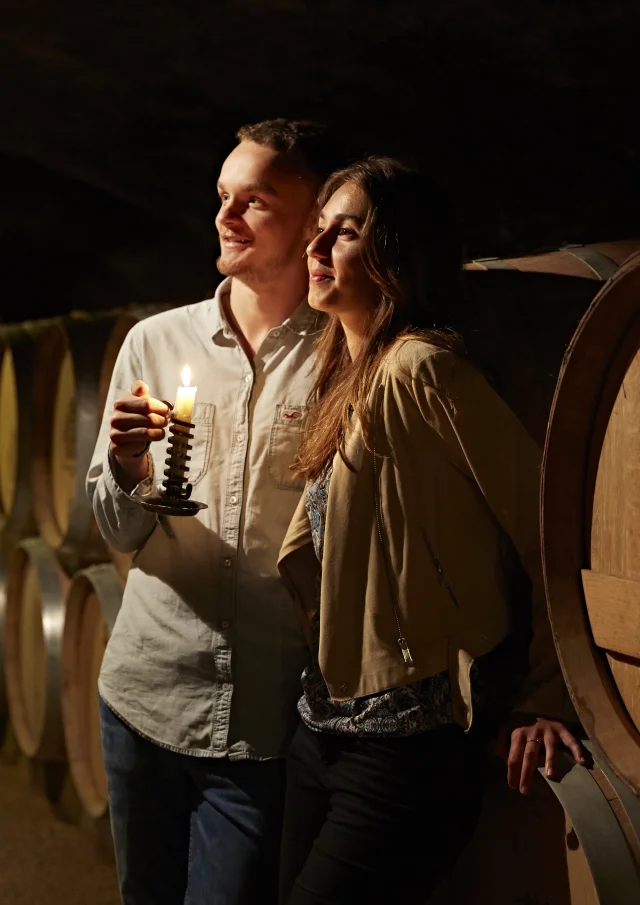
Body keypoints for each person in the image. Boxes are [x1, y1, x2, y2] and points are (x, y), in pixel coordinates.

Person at [276, 156, 584, 905]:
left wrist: (548, 694)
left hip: (404, 750)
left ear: (394, 257)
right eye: (318, 231)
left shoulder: (421, 370)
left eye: (343, 234)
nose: (316, 249)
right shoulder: (342, 377)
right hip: (320, 732)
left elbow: (543, 522)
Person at [87, 119, 344, 905]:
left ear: (312, 222)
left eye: (255, 200)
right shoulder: (154, 342)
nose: (225, 216)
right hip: (144, 694)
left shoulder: (346, 352)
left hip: (262, 720)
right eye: (223, 196)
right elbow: (115, 529)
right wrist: (129, 467)